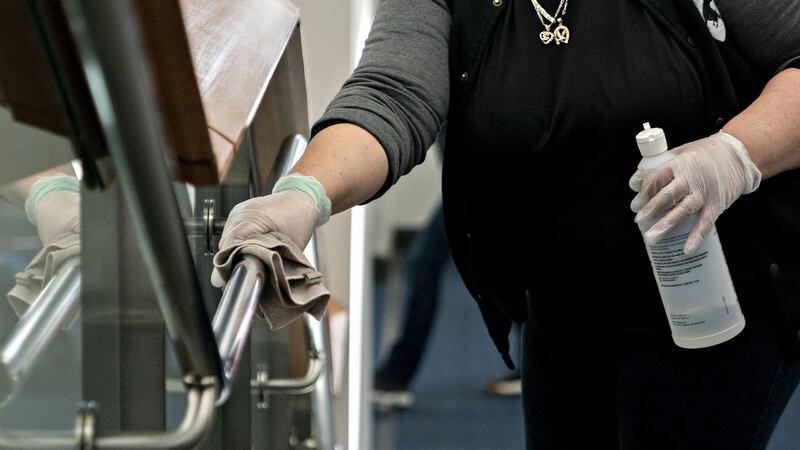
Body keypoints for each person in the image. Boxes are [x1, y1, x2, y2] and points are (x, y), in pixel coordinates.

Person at [214, 0, 800, 448]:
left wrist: (735, 154)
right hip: (563, 310)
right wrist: (302, 196)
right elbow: (393, 93)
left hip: (721, 305)